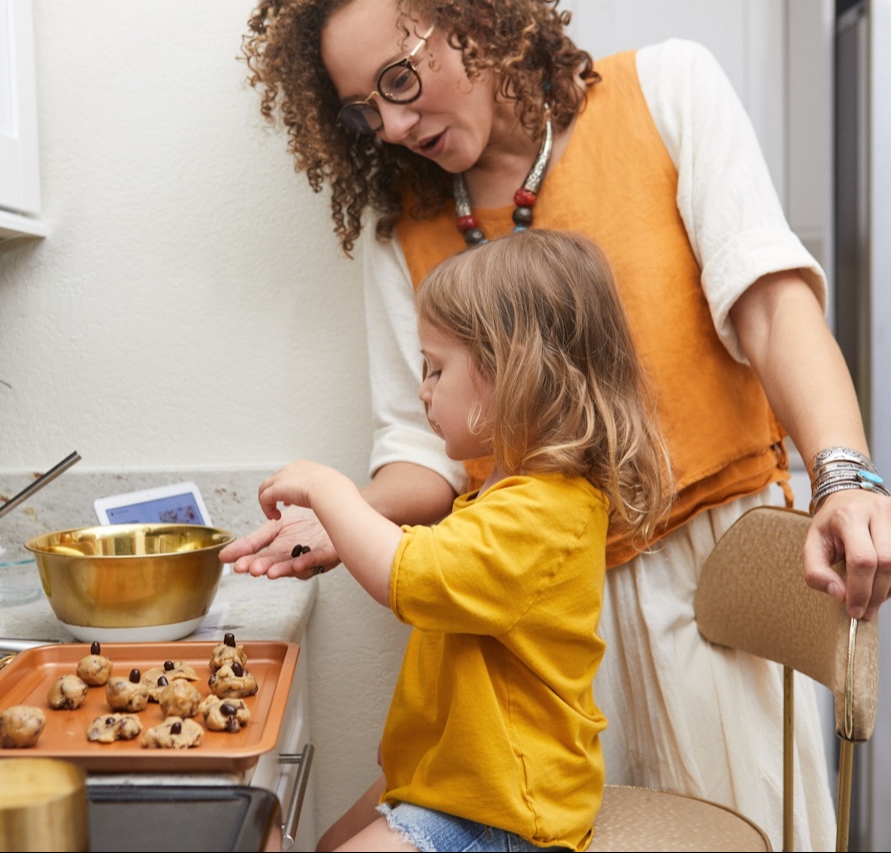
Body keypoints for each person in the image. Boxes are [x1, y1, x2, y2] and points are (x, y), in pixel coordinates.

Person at [223, 1, 891, 848]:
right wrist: (345, 516)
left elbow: (767, 309)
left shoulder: (666, 90)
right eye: (364, 108)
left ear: (474, 22)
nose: (390, 124)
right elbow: (422, 455)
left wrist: (844, 471)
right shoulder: (400, 224)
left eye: (400, 78)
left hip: (710, 583)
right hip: (522, 627)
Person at [258, 230, 671, 852]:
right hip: (460, 783)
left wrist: (329, 489)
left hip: (503, 810)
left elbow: (416, 576)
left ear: (513, 371)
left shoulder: (546, 509)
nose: (423, 390)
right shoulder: (514, 495)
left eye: (437, 368)